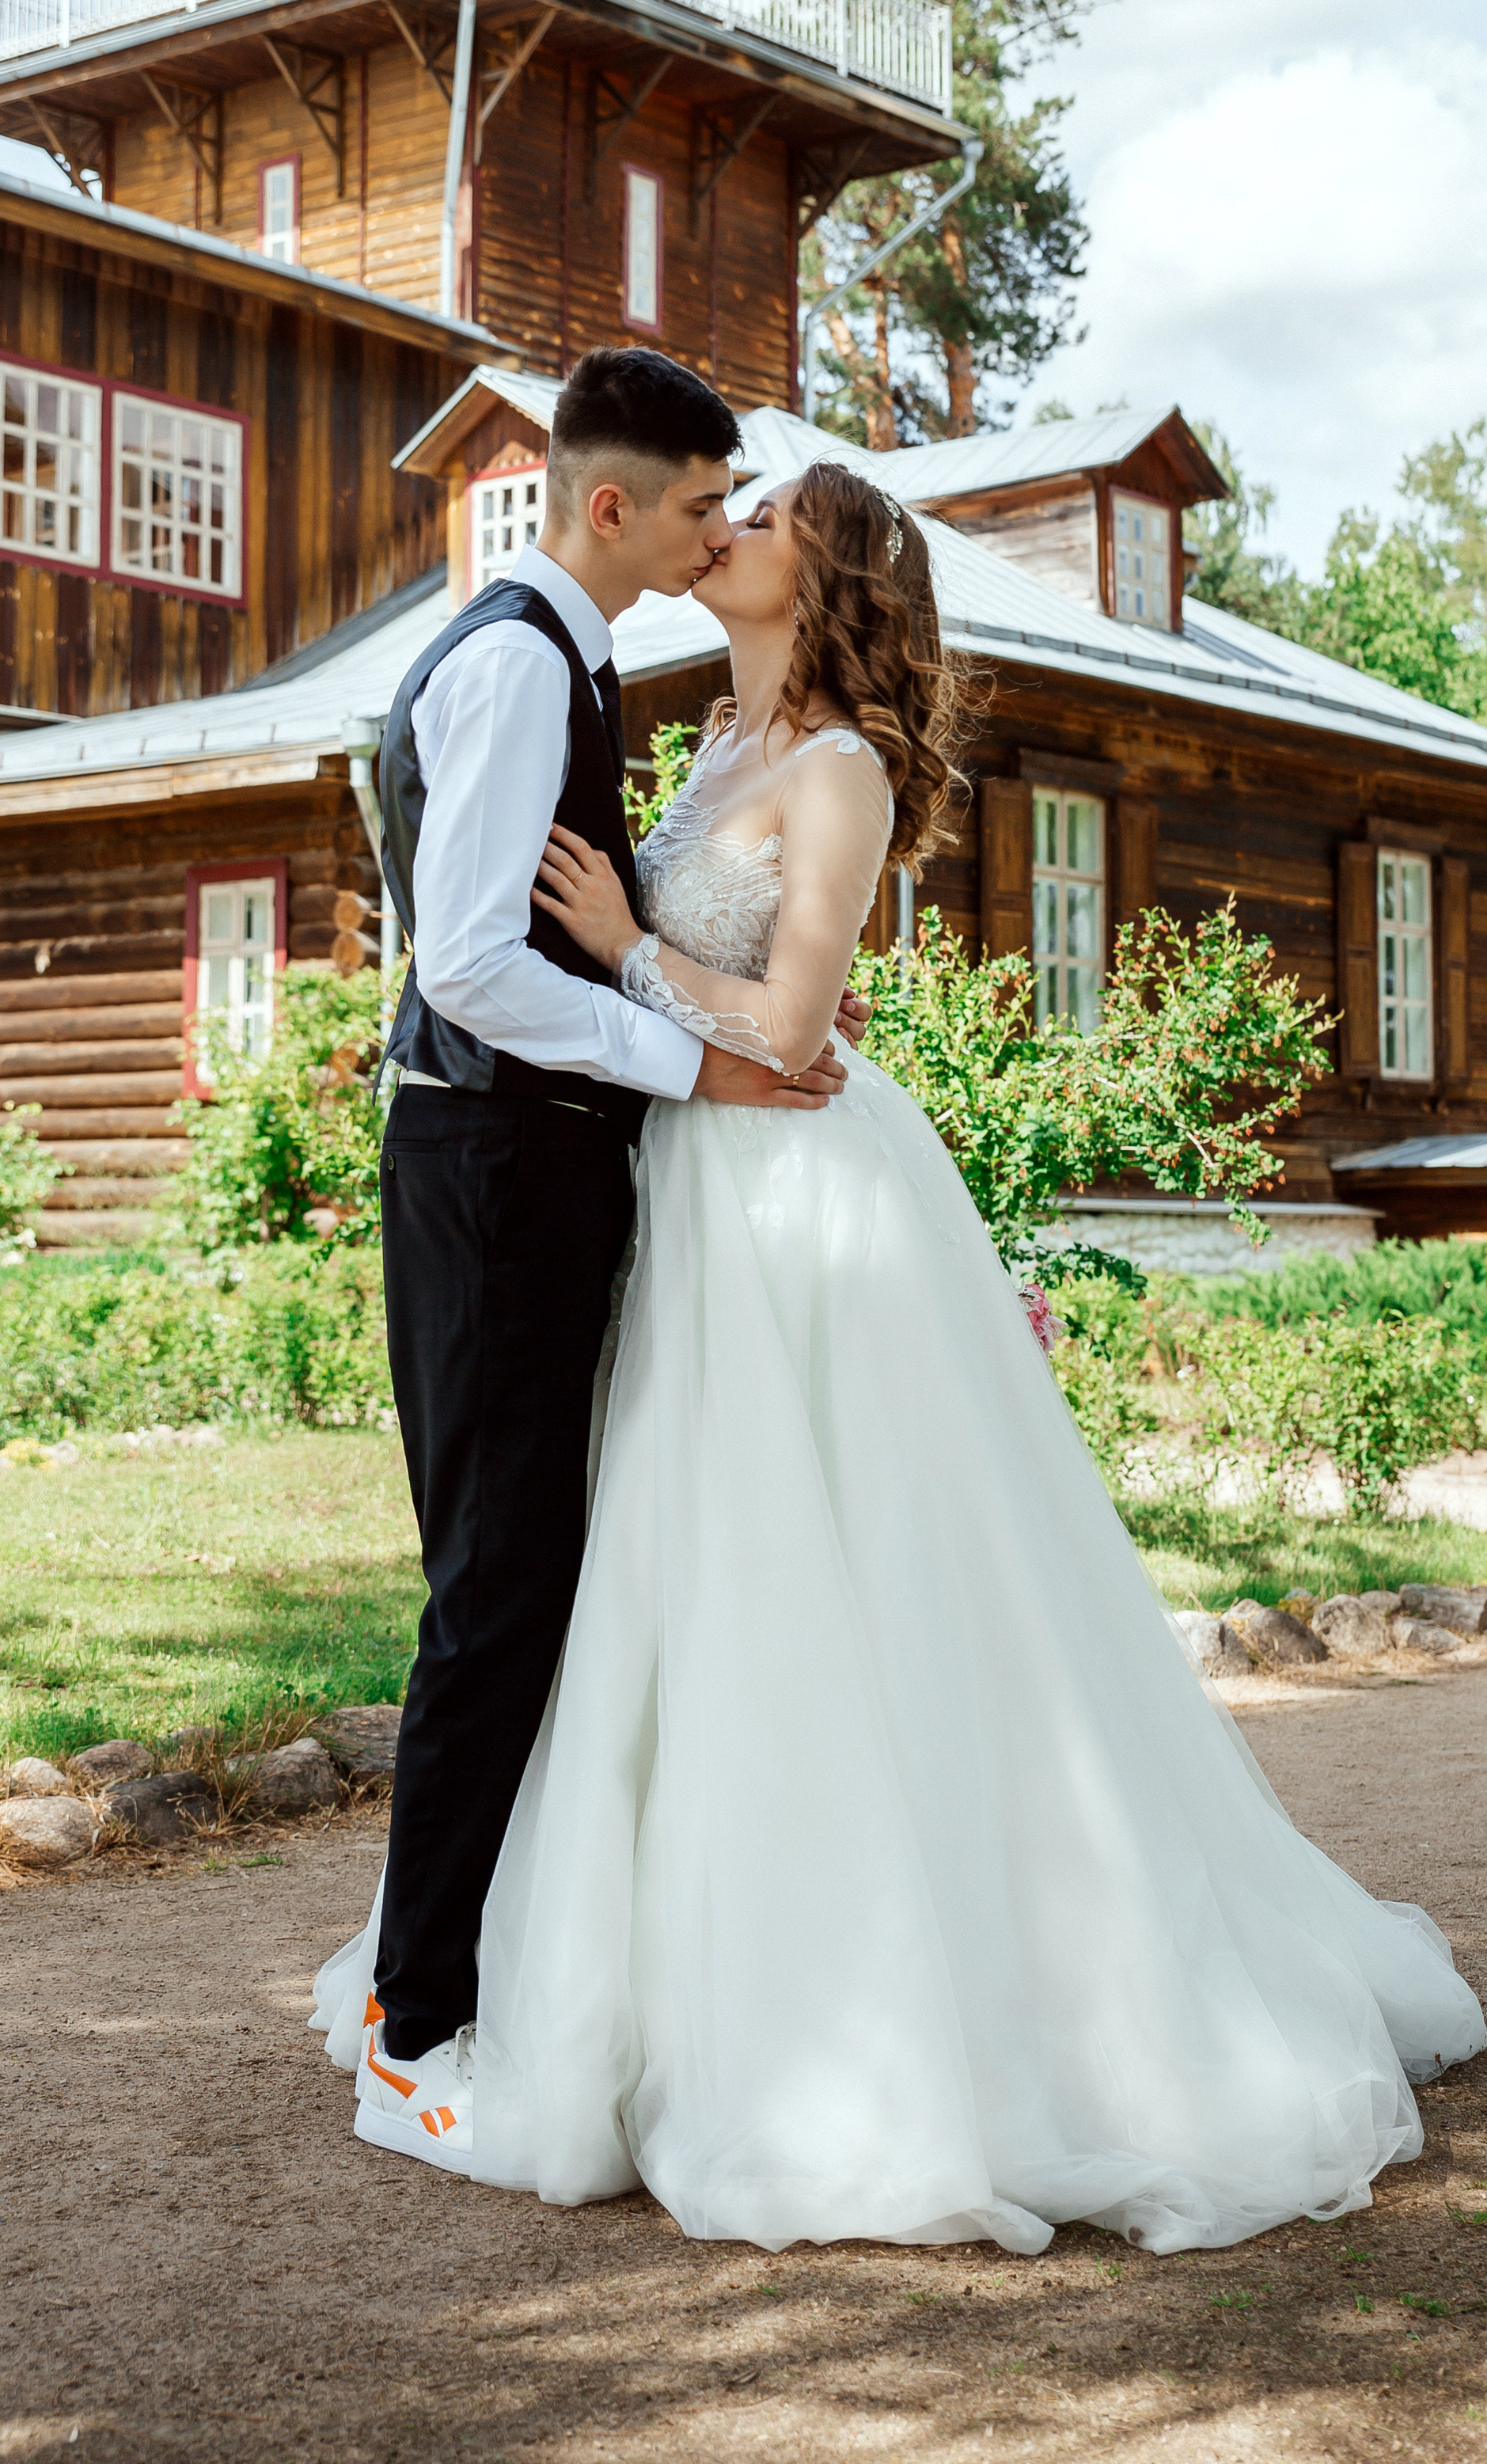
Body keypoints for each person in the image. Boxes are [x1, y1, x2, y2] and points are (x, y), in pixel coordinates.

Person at [318, 454, 1487, 2254]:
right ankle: (627, 1965)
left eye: (764, 518)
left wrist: (628, 946)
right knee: (676, 1569)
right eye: (725, 506)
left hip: (794, 1200)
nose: (728, 528)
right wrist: (649, 968)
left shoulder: (843, 768)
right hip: (692, 1185)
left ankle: (890, 1995)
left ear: (827, 578)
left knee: (826, 1564)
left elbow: (791, 1029)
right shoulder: (715, 747)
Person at [356, 347, 859, 2159]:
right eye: (704, 504)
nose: (718, 532)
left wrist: (690, 1001)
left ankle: (473, 1974)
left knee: (531, 1578)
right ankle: (416, 2030)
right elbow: (469, 965)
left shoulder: (574, 667)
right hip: (499, 1162)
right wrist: (691, 1059)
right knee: (497, 1589)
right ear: (608, 504)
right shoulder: (514, 664)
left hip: (536, 1163)